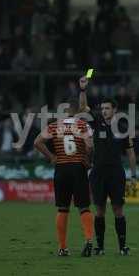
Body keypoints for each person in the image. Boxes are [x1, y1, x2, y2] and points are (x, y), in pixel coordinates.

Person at [79, 76, 137, 256]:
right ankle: (100, 247)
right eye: (102, 108)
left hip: (116, 173)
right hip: (97, 173)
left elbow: (130, 153)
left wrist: (134, 176)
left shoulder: (123, 127)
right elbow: (82, 108)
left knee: (118, 209)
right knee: (99, 210)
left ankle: (122, 247)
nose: (103, 111)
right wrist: (82, 90)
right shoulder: (96, 123)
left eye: (107, 108)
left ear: (115, 110)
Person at [34, 98, 94, 257]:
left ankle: (62, 247)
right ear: (76, 111)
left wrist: (51, 156)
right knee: (84, 207)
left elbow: (37, 142)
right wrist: (87, 159)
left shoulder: (54, 126)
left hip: (61, 169)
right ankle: (88, 240)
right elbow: (89, 145)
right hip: (78, 167)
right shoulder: (82, 125)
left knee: (62, 208)